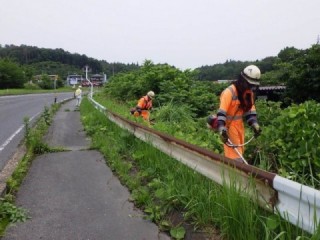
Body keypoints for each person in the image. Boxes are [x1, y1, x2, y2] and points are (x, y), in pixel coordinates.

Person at [209, 65, 262, 162]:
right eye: (249, 84)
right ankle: (235, 175)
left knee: (240, 152)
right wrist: (221, 128)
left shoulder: (248, 93)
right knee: (235, 158)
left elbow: (250, 111)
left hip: (239, 127)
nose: (251, 87)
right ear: (243, 80)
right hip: (228, 128)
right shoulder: (229, 92)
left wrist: (254, 124)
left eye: (253, 85)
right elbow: (222, 113)